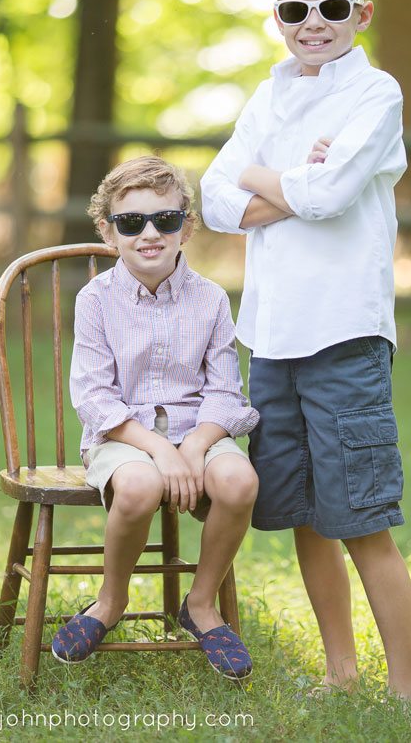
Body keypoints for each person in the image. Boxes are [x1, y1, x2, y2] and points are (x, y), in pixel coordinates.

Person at [200, 0, 411, 704]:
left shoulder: (377, 94)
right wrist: (297, 177)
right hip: (272, 336)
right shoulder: (267, 99)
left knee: (358, 515)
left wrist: (266, 178)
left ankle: (409, 689)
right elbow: (213, 197)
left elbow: (326, 201)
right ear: (278, 17)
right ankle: (341, 670)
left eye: (332, 8)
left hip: (344, 334)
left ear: (360, 12)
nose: (314, 23)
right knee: (303, 513)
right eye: (297, 10)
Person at [52, 156, 259, 680]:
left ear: (186, 226)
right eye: (131, 222)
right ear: (108, 230)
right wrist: (162, 450)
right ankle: (111, 600)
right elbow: (97, 400)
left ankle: (202, 603)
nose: (149, 233)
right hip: (122, 435)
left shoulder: (210, 299)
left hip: (200, 432)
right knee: (141, 486)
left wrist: (192, 446)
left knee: (239, 481)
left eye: (165, 220)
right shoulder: (95, 300)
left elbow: (225, 393)